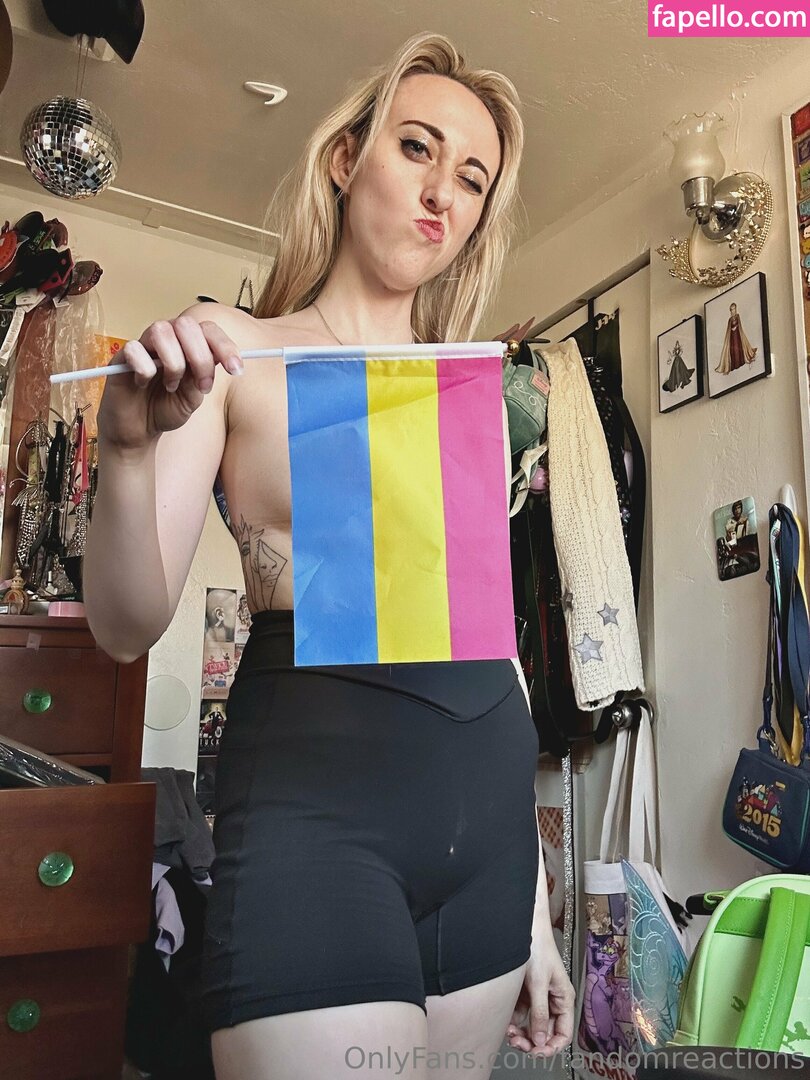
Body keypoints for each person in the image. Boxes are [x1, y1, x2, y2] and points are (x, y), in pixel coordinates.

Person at [84, 32, 575, 1080]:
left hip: (488, 842)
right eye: (417, 147)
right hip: (318, 825)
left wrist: (534, 909)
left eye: (473, 179)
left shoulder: (464, 387)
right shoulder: (230, 352)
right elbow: (124, 625)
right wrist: (126, 451)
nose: (441, 193)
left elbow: (490, 639)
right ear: (347, 159)